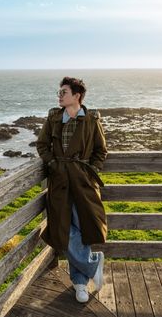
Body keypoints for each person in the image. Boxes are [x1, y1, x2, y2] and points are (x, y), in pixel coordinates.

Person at [36, 76, 108, 303]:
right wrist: (53, 164)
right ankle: (92, 264)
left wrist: (89, 170)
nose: (59, 95)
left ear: (76, 96)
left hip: (83, 184)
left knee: (83, 228)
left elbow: (100, 150)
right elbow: (41, 145)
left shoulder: (91, 119)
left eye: (63, 92)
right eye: (59, 92)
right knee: (63, 230)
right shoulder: (54, 118)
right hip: (59, 183)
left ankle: (80, 285)